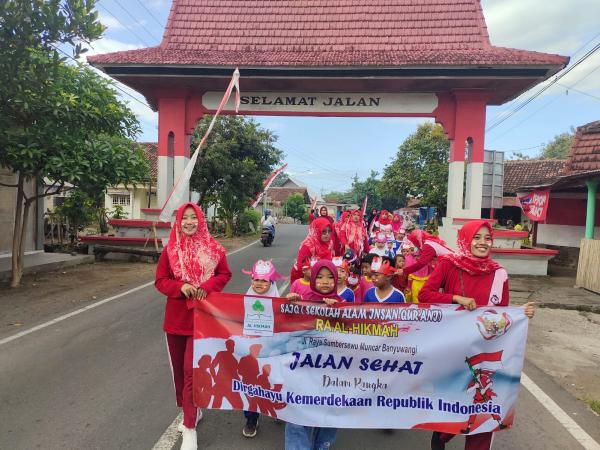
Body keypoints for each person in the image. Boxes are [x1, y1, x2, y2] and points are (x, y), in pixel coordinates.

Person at [419, 219, 535, 450]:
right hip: (454, 349)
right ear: (465, 239)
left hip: (487, 350)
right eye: (477, 237)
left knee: (486, 407)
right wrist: (456, 299)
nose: (483, 243)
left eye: (487, 238)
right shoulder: (448, 265)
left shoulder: (499, 274)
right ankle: (442, 434)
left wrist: (521, 314)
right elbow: (425, 294)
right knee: (456, 399)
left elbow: (502, 312)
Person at [155, 202, 232, 450]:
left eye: (193, 217)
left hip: (203, 320)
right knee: (179, 373)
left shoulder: (213, 249)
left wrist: (204, 288)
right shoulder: (170, 250)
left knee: (192, 372)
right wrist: (181, 287)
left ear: (201, 220)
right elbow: (160, 281)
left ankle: (189, 428)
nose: (189, 222)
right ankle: (192, 411)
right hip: (176, 321)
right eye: (184, 218)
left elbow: (224, 274)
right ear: (178, 222)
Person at [285, 260, 340, 448]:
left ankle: (322, 444)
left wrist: (336, 309)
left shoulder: (344, 305)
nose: (325, 281)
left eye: (330, 277)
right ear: (313, 279)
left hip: (331, 372)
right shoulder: (302, 300)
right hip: (302, 369)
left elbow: (352, 332)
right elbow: (285, 324)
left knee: (327, 413)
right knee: (297, 412)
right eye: (320, 277)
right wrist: (290, 302)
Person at [290, 217, 335, 282]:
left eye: (329, 231)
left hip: (319, 277)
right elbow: (301, 267)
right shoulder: (308, 245)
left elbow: (330, 259)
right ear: (317, 231)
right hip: (302, 277)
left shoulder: (330, 243)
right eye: (324, 231)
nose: (327, 234)